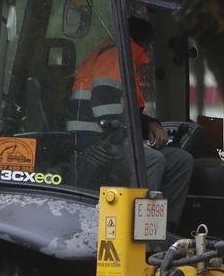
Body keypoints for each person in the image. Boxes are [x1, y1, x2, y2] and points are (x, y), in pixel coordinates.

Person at [68, 16, 191, 229]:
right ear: (142, 43)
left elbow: (127, 113)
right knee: (153, 160)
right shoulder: (114, 57)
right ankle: (139, 231)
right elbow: (107, 115)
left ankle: (167, 229)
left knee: (181, 160)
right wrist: (131, 140)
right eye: (148, 46)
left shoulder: (124, 58)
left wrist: (151, 124)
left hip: (113, 137)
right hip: (96, 143)